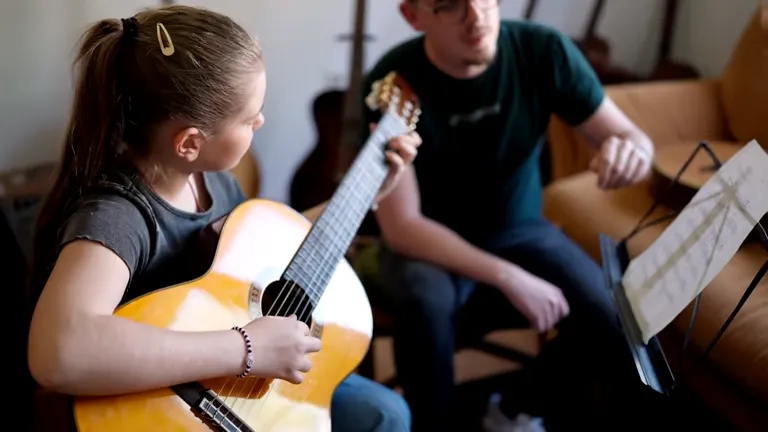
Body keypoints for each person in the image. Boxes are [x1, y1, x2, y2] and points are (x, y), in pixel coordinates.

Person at [26, 5, 419, 432]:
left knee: (387, 413)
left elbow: (267, 247)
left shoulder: (213, 182)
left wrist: (365, 195)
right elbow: (60, 351)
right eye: (250, 119)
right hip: (177, 400)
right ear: (190, 143)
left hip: (235, 375)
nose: (261, 122)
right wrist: (246, 347)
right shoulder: (118, 216)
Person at [359, 1, 656, 431]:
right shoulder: (393, 85)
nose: (476, 17)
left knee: (615, 323)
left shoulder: (543, 50)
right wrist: (507, 276)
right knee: (427, 306)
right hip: (429, 244)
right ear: (413, 16)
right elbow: (402, 227)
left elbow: (632, 137)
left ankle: (514, 407)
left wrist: (632, 151)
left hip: (520, 229)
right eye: (450, 6)